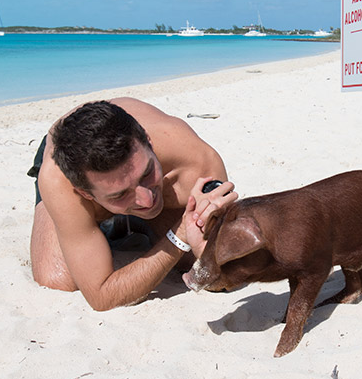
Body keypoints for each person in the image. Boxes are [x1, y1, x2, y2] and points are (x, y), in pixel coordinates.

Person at [29, 98, 238, 311]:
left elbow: (226, 269)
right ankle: (115, 218)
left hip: (127, 129)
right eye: (120, 194)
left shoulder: (196, 161)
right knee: (57, 280)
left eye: (147, 173)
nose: (147, 200)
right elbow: (102, 297)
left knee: (192, 259)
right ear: (85, 193)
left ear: (148, 142)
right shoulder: (59, 182)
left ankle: (131, 219)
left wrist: (205, 248)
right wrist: (179, 234)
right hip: (68, 156)